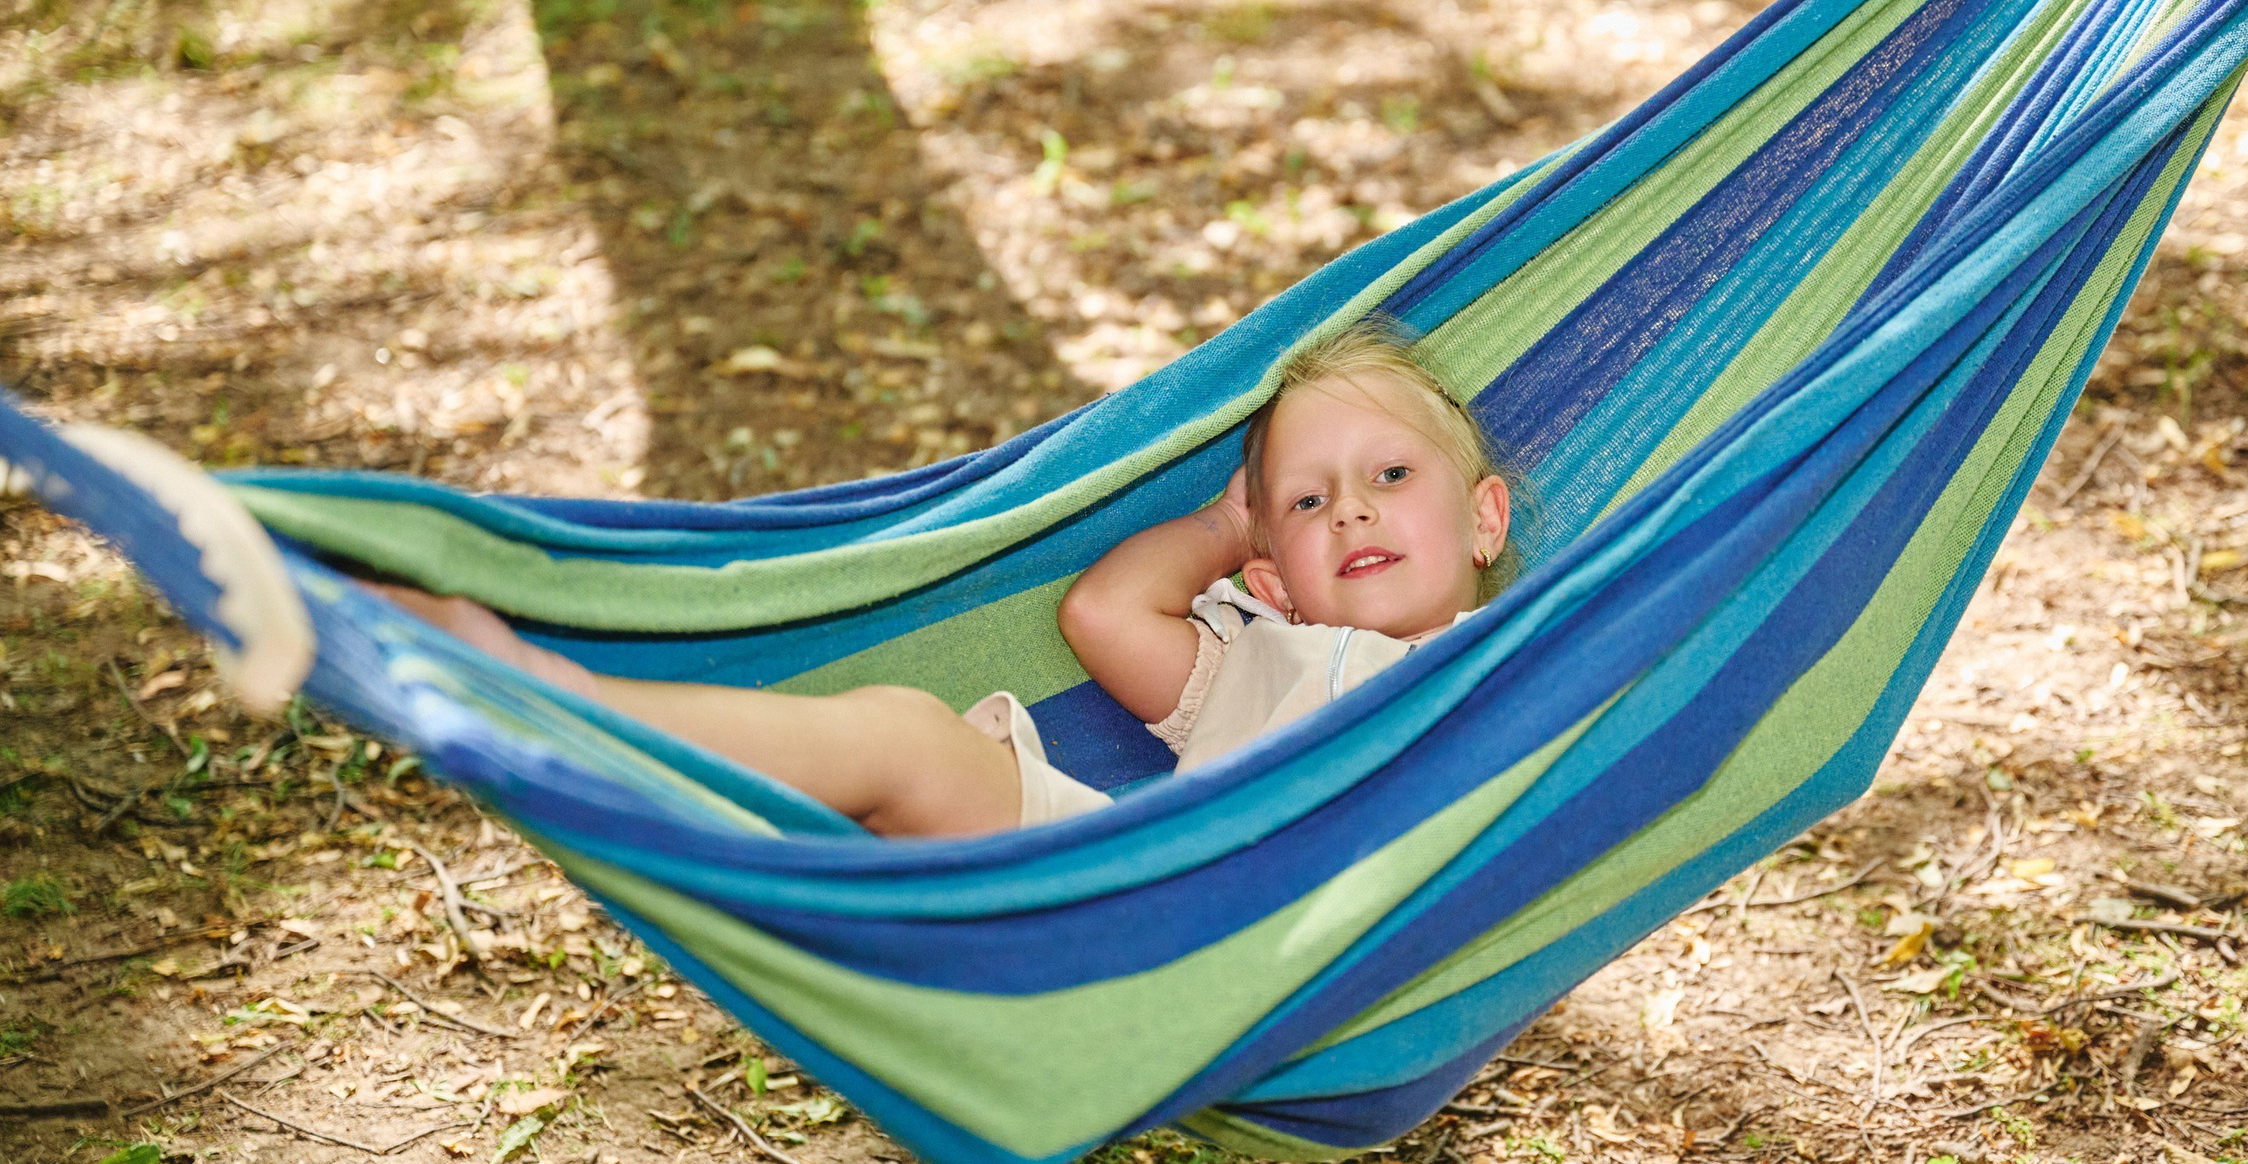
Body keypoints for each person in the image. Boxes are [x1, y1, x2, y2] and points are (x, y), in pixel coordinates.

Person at [368, 324, 1514, 837]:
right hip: (1134, 888)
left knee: (900, 751)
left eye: (1390, 474)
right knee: (906, 737)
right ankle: (550, 696)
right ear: (1272, 578)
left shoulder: (1528, 662)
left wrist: (1268, 514)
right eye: (1309, 501)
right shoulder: (1248, 654)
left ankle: (545, 701)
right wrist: (1226, 521)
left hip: (1278, 933)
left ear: (1482, 518)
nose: (1350, 506)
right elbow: (1103, 611)